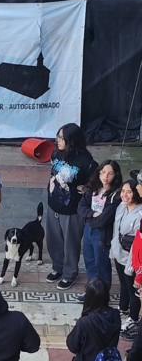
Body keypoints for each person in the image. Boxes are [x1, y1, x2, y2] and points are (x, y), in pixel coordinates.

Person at [46, 123, 97, 291]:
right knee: (54, 240)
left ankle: (70, 274)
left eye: (62, 138)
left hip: (73, 210)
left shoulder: (86, 161)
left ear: (72, 140)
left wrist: (87, 189)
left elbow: (97, 183)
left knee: (70, 243)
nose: (58, 140)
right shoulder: (56, 153)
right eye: (58, 137)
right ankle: (58, 267)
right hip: (53, 205)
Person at [78, 159, 121, 295]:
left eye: (110, 174)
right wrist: (92, 214)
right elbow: (81, 207)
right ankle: (91, 291)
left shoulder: (115, 195)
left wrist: (89, 219)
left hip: (102, 233)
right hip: (88, 230)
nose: (105, 177)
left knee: (101, 264)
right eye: (103, 172)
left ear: (116, 176)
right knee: (89, 261)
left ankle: (102, 296)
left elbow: (104, 220)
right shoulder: (93, 189)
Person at [111, 180, 142, 340]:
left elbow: (137, 244)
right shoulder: (121, 207)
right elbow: (116, 231)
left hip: (132, 258)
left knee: (133, 290)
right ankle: (123, 308)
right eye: (123, 191)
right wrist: (114, 251)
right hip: (119, 253)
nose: (125, 195)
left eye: (129, 191)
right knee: (123, 283)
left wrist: (131, 266)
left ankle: (134, 318)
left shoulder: (140, 214)